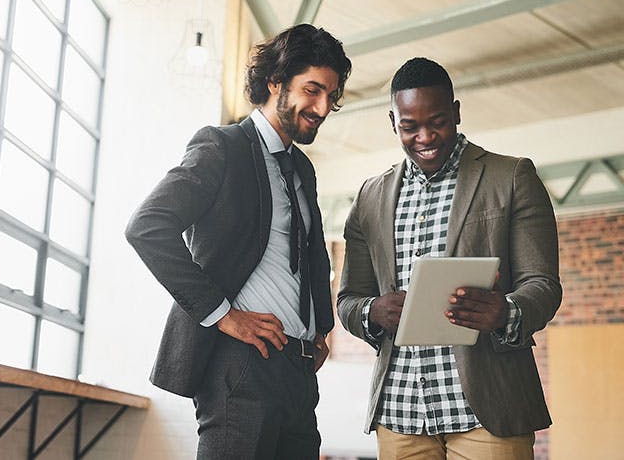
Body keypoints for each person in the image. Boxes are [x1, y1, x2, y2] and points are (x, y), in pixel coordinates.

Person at [125, 24, 351, 459]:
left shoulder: (302, 170)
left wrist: (322, 331)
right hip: (242, 365)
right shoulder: (222, 147)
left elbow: (314, 256)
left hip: (300, 373)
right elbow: (148, 226)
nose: (322, 107)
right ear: (275, 82)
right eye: (312, 90)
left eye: (330, 96)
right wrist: (224, 315)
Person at [337, 57, 562, 459]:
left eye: (437, 121)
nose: (425, 136)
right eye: (409, 126)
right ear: (393, 122)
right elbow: (349, 299)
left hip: (488, 409)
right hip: (401, 411)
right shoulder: (369, 197)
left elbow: (543, 285)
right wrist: (373, 311)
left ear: (456, 112)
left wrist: (505, 312)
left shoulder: (511, 177)